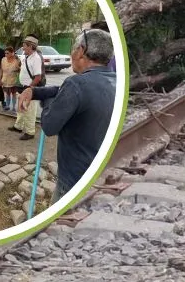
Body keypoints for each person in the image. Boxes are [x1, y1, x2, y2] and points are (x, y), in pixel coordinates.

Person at [17, 29, 117, 197]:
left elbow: (49, 126)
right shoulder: (113, 79)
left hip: (74, 179)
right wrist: (34, 92)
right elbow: (61, 90)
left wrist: (47, 101)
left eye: (73, 48)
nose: (71, 54)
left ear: (81, 51)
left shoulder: (76, 84)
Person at [13, 35, 45, 140]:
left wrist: (29, 89)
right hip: (22, 87)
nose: (23, 48)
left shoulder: (36, 58)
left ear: (31, 46)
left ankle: (30, 132)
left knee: (29, 111)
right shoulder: (27, 56)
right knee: (21, 108)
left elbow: (38, 77)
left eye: (24, 46)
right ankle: (18, 126)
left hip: (29, 89)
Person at [0, 46, 21, 111]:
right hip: (5, 80)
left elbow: (21, 71)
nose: (6, 55)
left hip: (13, 80)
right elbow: (1, 70)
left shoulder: (17, 60)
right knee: (7, 93)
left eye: (7, 53)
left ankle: (14, 107)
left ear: (12, 53)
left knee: (14, 94)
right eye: (5, 53)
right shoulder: (3, 59)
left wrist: (18, 68)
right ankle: (8, 106)